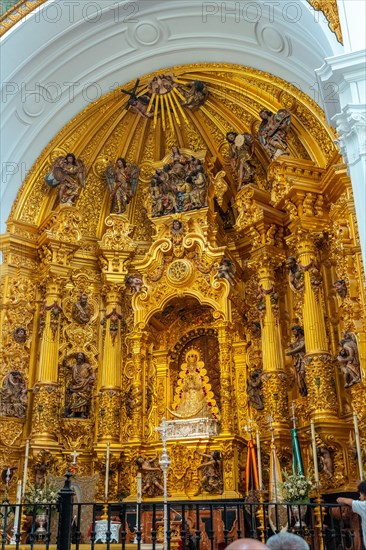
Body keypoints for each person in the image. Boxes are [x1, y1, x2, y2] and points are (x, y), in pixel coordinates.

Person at [63, 353, 95, 418]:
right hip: (76, 386)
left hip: (84, 385)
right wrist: (65, 359)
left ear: (83, 358)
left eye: (81, 357)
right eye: (78, 357)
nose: (79, 358)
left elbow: (92, 375)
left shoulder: (87, 365)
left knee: (83, 397)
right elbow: (67, 365)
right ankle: (73, 412)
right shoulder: (74, 366)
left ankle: (82, 413)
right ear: (77, 358)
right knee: (74, 396)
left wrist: (88, 380)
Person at [337, 481, 366, 549]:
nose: (359, 497)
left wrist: (339, 499)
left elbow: (342, 500)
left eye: (360, 494)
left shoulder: (363, 505)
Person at [286, 326, 307, 397]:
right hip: (297, 360)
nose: (293, 333)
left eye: (294, 331)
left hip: (302, 358)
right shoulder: (297, 340)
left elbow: (301, 347)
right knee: (298, 376)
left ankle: (308, 387)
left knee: (302, 372)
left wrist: (290, 352)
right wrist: (291, 345)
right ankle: (303, 389)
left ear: (298, 331)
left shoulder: (303, 338)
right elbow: (295, 346)